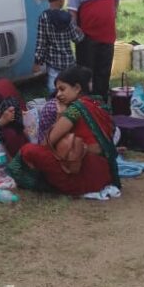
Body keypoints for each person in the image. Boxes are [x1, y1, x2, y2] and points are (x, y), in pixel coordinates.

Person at [18, 66, 121, 196]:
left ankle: (31, 180)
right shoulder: (98, 104)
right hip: (105, 175)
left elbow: (46, 144)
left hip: (84, 176)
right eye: (57, 90)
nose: (58, 94)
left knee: (28, 150)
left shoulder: (75, 109)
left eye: (62, 89)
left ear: (77, 88)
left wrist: (60, 115)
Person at [68, 0, 120, 99]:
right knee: (86, 74)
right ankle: (87, 106)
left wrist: (110, 16)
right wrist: (76, 31)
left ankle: (101, 105)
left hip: (108, 36)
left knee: (104, 73)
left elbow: (116, 1)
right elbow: (72, 9)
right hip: (87, 39)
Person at [33, 0, 85, 94]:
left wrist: (37, 62)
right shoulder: (67, 17)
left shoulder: (44, 17)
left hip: (53, 64)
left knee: (54, 90)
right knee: (70, 91)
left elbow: (41, 42)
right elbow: (76, 39)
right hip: (69, 63)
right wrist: (81, 32)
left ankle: (55, 109)